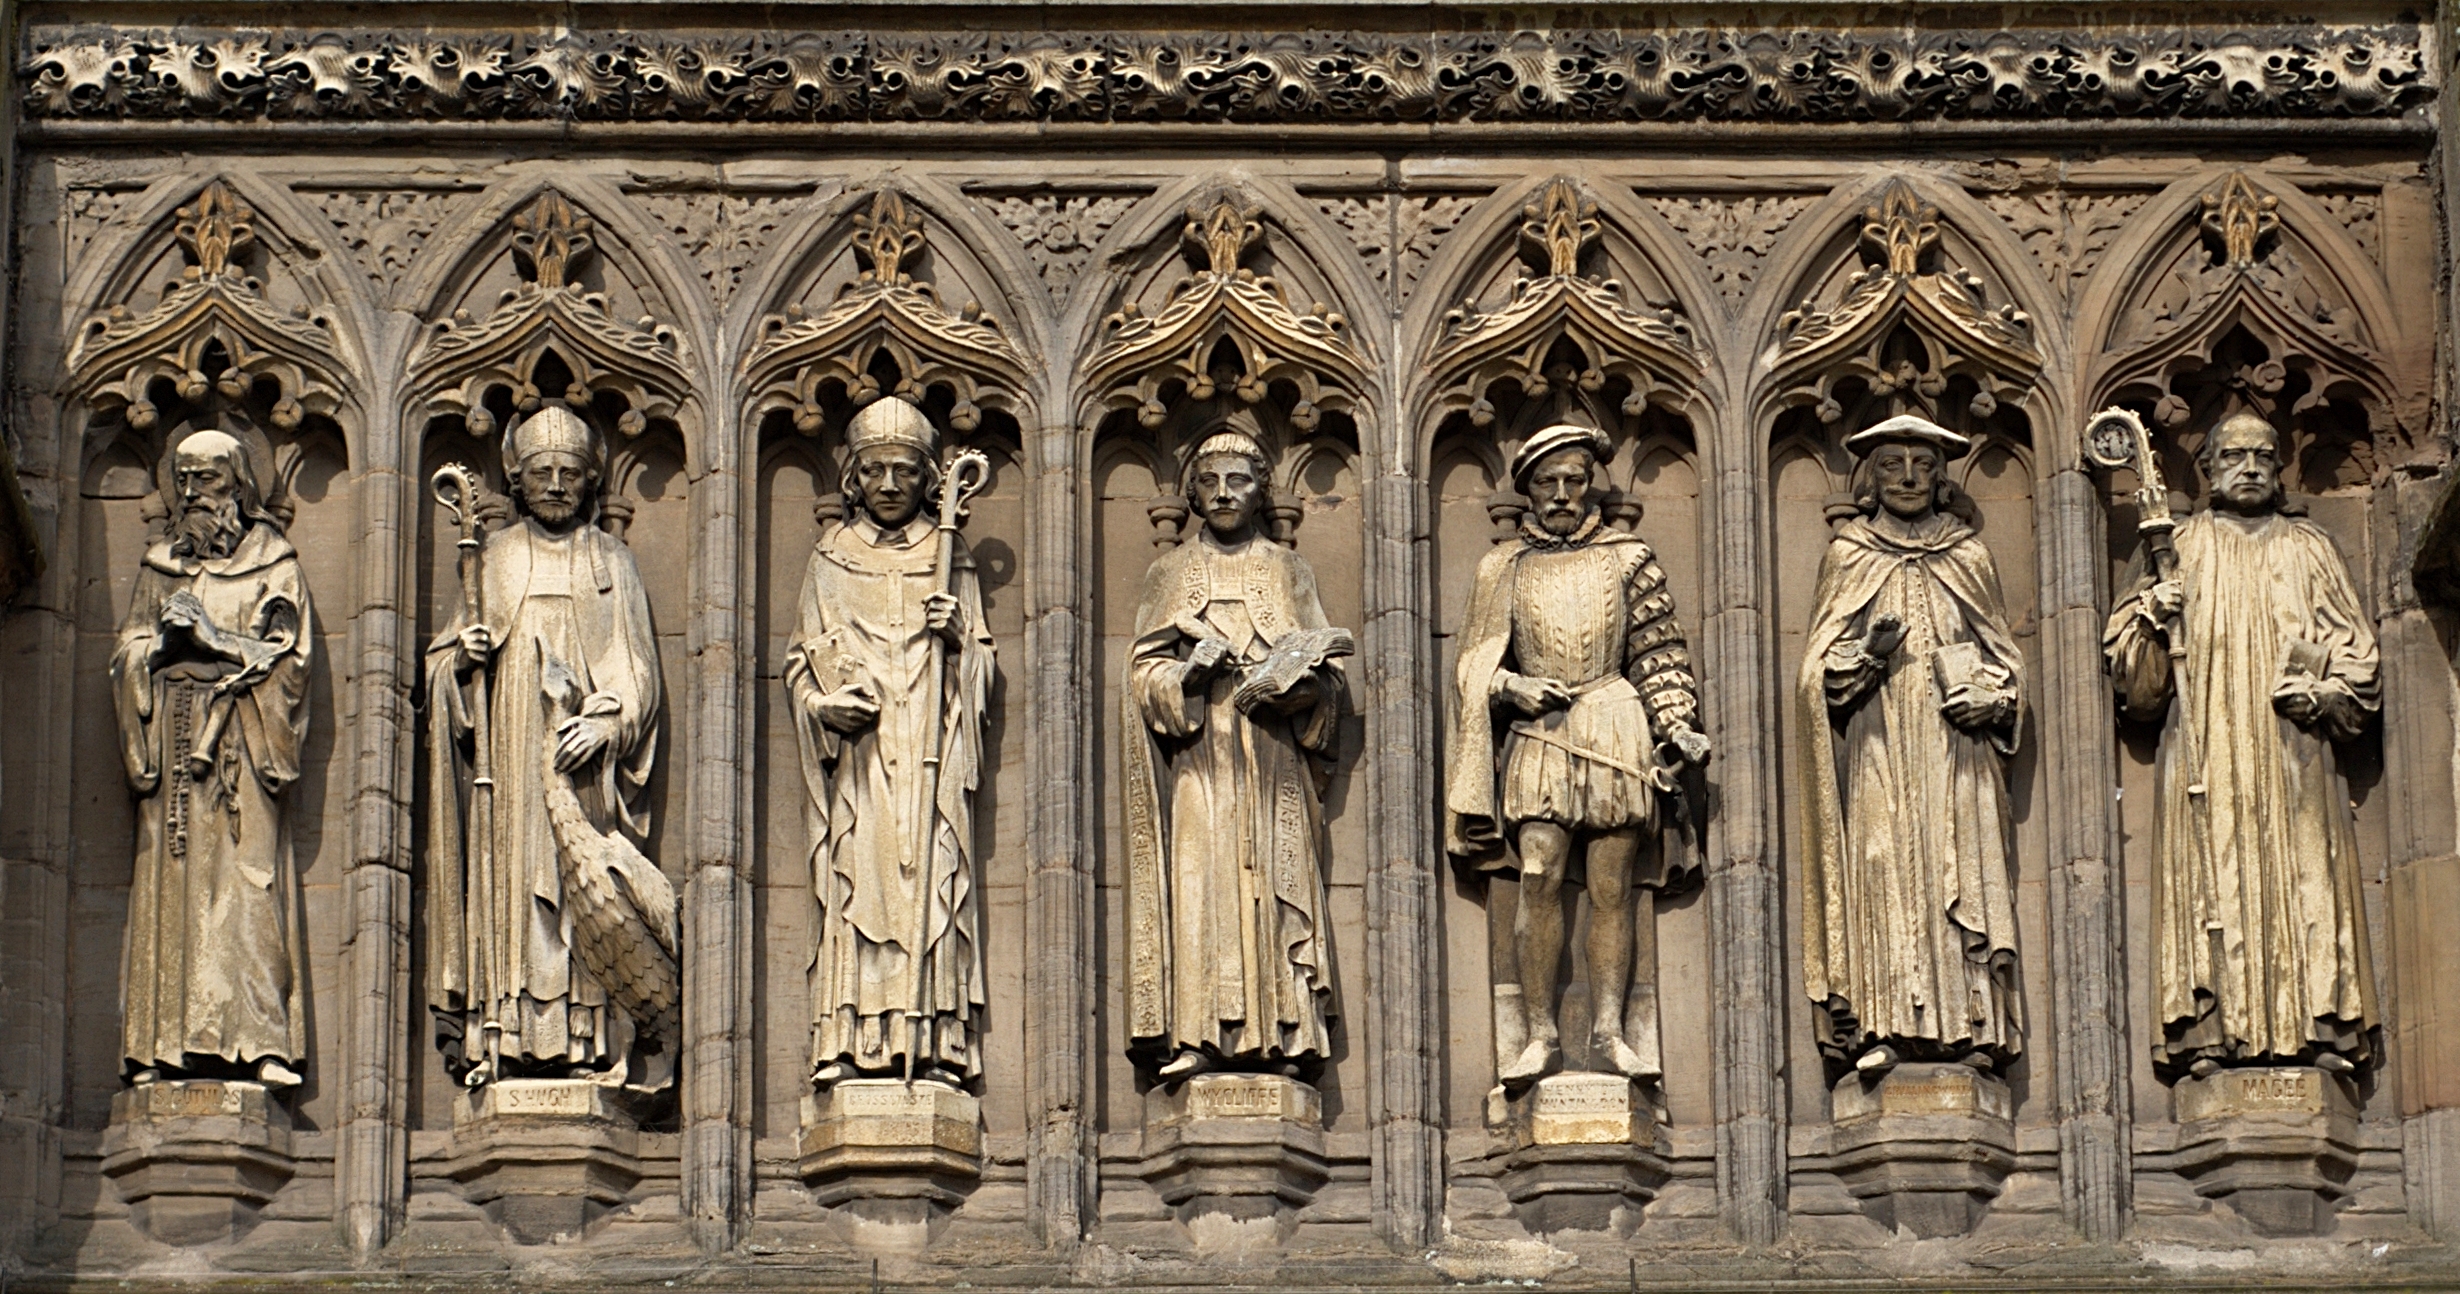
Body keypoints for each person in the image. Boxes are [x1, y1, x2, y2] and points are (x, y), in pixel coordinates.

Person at [2105, 411, 2379, 1077]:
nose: (2252, 466)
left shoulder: (2309, 547)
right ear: (2208, 471)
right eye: (2235, 455)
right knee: (2211, 883)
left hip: (2295, 751)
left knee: (2304, 876)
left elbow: (2358, 653)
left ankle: (2321, 1028)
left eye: (2264, 455)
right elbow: (2135, 687)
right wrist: (2151, 616)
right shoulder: (2180, 546)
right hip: (2208, 747)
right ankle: (2210, 1031)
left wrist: (2324, 694)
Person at [1446, 422, 1710, 1084]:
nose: (1562, 494)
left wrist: (1677, 725)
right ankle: (1538, 1033)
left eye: (1573, 480)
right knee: (1537, 871)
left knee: (1612, 884)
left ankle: (1610, 1030)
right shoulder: (1502, 566)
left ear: (1588, 484)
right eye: (1547, 482)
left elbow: (1658, 651)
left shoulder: (1629, 558)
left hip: (1615, 720)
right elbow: (1474, 663)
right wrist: (1511, 686)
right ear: (1528, 490)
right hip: (1544, 734)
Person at [424, 404, 665, 1086]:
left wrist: (608, 722)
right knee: (516, 895)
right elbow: (444, 668)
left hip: (581, 764)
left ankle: (582, 1040)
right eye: (541, 473)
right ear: (518, 480)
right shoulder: (494, 558)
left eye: (569, 473)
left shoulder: (610, 560)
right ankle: (509, 1032)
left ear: (591, 480)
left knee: (579, 892)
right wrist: (462, 662)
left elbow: (635, 665)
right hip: (511, 761)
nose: (555, 485)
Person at [1799, 413, 2025, 1076]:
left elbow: (2004, 658)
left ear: (1940, 477)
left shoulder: (1969, 556)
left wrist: (1997, 697)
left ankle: (1973, 1027)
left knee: (1963, 870)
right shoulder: (1850, 554)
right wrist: (1866, 655)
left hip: (1958, 750)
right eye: (1891, 465)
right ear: (1869, 476)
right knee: (1883, 870)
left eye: (1922, 465)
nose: (1906, 477)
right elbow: (1815, 672)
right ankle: (1882, 1024)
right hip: (1880, 745)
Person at [1122, 428, 1349, 1080]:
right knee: (1202, 890)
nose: (1224, 493)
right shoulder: (1170, 574)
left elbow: (1327, 674)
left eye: (1239, 480)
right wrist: (1190, 673)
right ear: (1191, 491)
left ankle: (1286, 1034)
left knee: (1276, 892)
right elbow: (1140, 678)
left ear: (1261, 492)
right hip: (1201, 759)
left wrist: (1300, 691)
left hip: (1272, 761)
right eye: (1210, 480)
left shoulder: (1286, 570)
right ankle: (1198, 1034)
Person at [784, 396, 994, 1088]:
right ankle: (852, 1036)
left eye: (904, 471)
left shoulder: (947, 555)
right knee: (859, 884)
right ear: (854, 478)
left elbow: (984, 666)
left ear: (929, 478)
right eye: (874, 471)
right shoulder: (831, 557)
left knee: (930, 880)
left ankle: (932, 1041)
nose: (889, 485)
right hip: (864, 758)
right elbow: (799, 660)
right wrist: (821, 705)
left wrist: (961, 640)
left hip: (929, 750)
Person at [110, 423, 312, 1090]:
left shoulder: (275, 565)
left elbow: (286, 661)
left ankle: (260, 1042)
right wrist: (158, 650)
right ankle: (159, 1048)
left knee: (249, 885)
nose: (193, 493)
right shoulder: (159, 567)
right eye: (184, 479)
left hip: (241, 749)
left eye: (209, 478)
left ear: (240, 485)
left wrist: (215, 639)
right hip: (171, 746)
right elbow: (127, 654)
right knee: (170, 893)